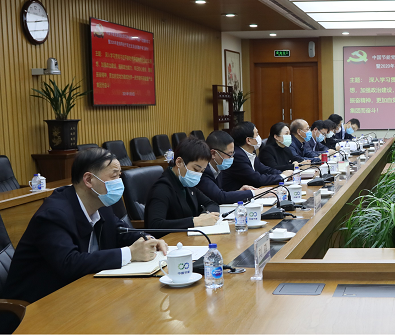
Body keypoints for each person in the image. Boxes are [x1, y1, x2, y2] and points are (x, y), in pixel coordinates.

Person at [2, 148, 168, 304]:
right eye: (114, 176)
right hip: (35, 306)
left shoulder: (101, 205)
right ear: (89, 180)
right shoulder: (53, 214)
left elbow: (121, 232)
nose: (119, 182)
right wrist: (130, 253)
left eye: (120, 176)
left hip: (80, 294)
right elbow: (69, 263)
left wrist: (148, 240)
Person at [145, 137, 220, 230]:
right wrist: (195, 221)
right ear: (179, 162)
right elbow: (155, 224)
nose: (198, 174)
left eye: (202, 171)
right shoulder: (162, 188)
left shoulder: (186, 183)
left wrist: (205, 216)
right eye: (196, 169)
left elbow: (212, 204)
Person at [219, 122, 290, 191]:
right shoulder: (237, 156)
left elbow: (265, 169)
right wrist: (282, 176)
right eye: (257, 134)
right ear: (248, 140)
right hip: (236, 196)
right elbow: (257, 179)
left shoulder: (250, 153)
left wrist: (282, 174)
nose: (259, 137)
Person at [198, 130, 257, 205]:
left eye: (233, 154)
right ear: (213, 153)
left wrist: (239, 192)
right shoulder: (202, 171)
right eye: (229, 154)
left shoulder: (219, 167)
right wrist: (254, 193)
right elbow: (220, 197)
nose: (232, 158)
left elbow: (222, 193)